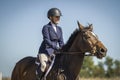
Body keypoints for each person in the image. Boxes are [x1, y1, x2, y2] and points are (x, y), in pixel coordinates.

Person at [37, 8, 64, 79]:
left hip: (55, 52)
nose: (58, 18)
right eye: (56, 17)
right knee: (43, 65)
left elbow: (61, 42)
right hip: (45, 51)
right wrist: (56, 47)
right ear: (50, 17)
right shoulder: (46, 27)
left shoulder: (59, 29)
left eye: (59, 17)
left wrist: (64, 49)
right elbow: (47, 41)